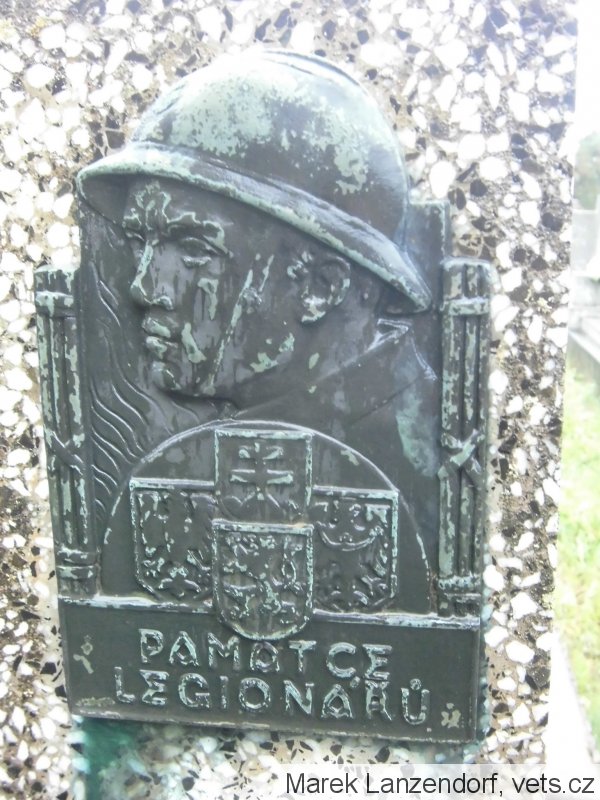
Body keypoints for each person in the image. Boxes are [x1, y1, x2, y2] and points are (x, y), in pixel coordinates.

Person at [78, 49, 440, 613]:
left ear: (319, 286)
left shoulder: (427, 449)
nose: (143, 287)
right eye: (139, 242)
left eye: (192, 249)